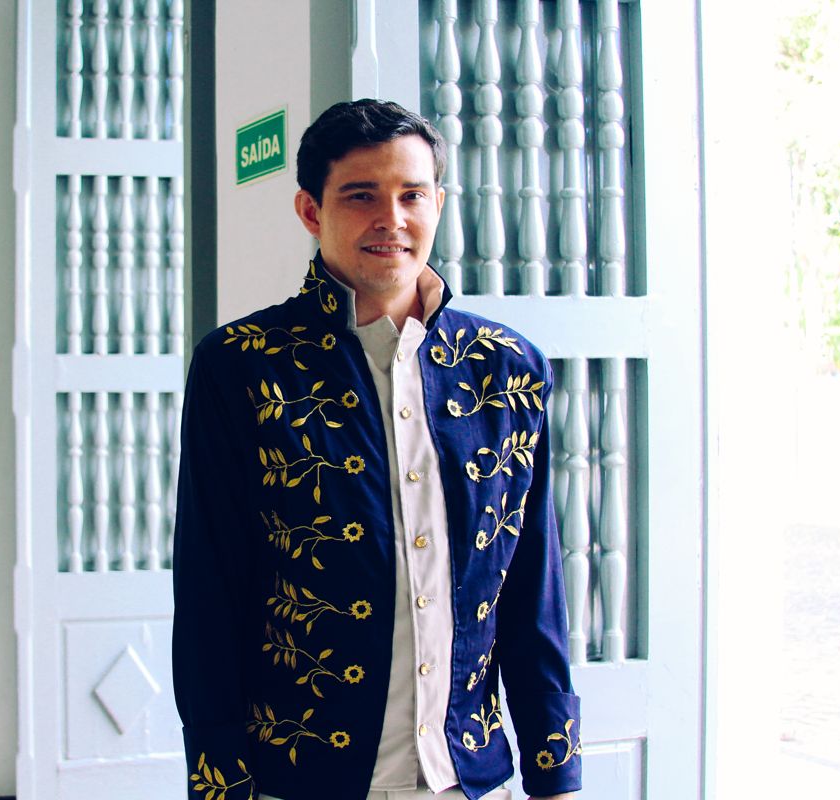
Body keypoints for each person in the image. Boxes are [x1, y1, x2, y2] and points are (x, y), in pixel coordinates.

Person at [172, 99, 581, 800]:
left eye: (411, 194)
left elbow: (533, 590)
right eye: (361, 196)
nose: (391, 218)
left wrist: (556, 775)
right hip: (298, 780)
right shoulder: (242, 366)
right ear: (311, 210)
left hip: (468, 780)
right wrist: (220, 786)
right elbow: (211, 593)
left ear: (438, 203)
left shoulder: (507, 369)